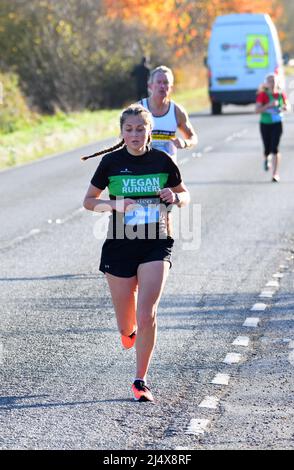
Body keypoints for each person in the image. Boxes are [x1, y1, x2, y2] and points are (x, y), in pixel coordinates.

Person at [82, 104, 190, 402]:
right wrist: (115, 205)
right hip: (120, 243)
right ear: (122, 132)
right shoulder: (111, 163)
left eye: (140, 129)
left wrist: (176, 197)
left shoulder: (162, 159)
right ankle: (128, 333)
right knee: (127, 324)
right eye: (129, 130)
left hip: (156, 241)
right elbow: (89, 201)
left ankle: (140, 380)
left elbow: (185, 194)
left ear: (149, 131)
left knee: (147, 314)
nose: (134, 135)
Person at [140, 65, 198, 162]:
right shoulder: (139, 109)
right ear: (150, 86)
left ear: (171, 87)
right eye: (158, 82)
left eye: (166, 83)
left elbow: (193, 137)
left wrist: (184, 143)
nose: (162, 86)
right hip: (144, 170)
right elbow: (124, 139)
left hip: (167, 170)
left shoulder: (176, 111)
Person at [256, 73, 289, 182]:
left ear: (277, 82)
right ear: (266, 83)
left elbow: (287, 107)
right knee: (267, 148)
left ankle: (275, 173)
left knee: (275, 148)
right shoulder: (263, 95)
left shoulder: (280, 94)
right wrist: (268, 105)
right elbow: (257, 110)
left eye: (274, 80)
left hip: (277, 123)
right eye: (270, 81)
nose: (272, 83)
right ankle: (266, 158)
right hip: (265, 123)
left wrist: (282, 107)